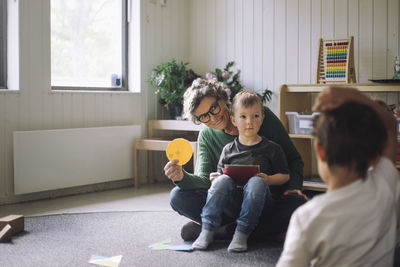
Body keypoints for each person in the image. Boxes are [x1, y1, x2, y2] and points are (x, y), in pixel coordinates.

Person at [164, 78, 307, 242]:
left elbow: (294, 160)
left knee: (296, 202)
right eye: (204, 116)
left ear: (223, 99)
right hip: (229, 203)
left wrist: (294, 187)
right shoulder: (206, 136)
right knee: (177, 196)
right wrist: (182, 177)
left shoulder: (257, 116)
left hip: (264, 201)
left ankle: (220, 232)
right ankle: (256, 231)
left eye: (214, 108)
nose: (213, 118)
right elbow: (204, 180)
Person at [276, 86, 400, 266]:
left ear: (320, 150)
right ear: (374, 156)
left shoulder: (307, 218)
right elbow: (390, 124)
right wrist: (354, 96)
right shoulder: (386, 185)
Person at [192, 91, 290, 252]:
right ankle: (207, 230)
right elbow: (220, 176)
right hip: (233, 203)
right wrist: (215, 179)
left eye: (255, 116)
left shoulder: (272, 148)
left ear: (262, 119)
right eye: (243, 117)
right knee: (222, 181)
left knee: (257, 182)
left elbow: (285, 175)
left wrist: (269, 180)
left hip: (261, 202)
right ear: (234, 120)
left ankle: (242, 233)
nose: (250, 122)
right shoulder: (228, 149)